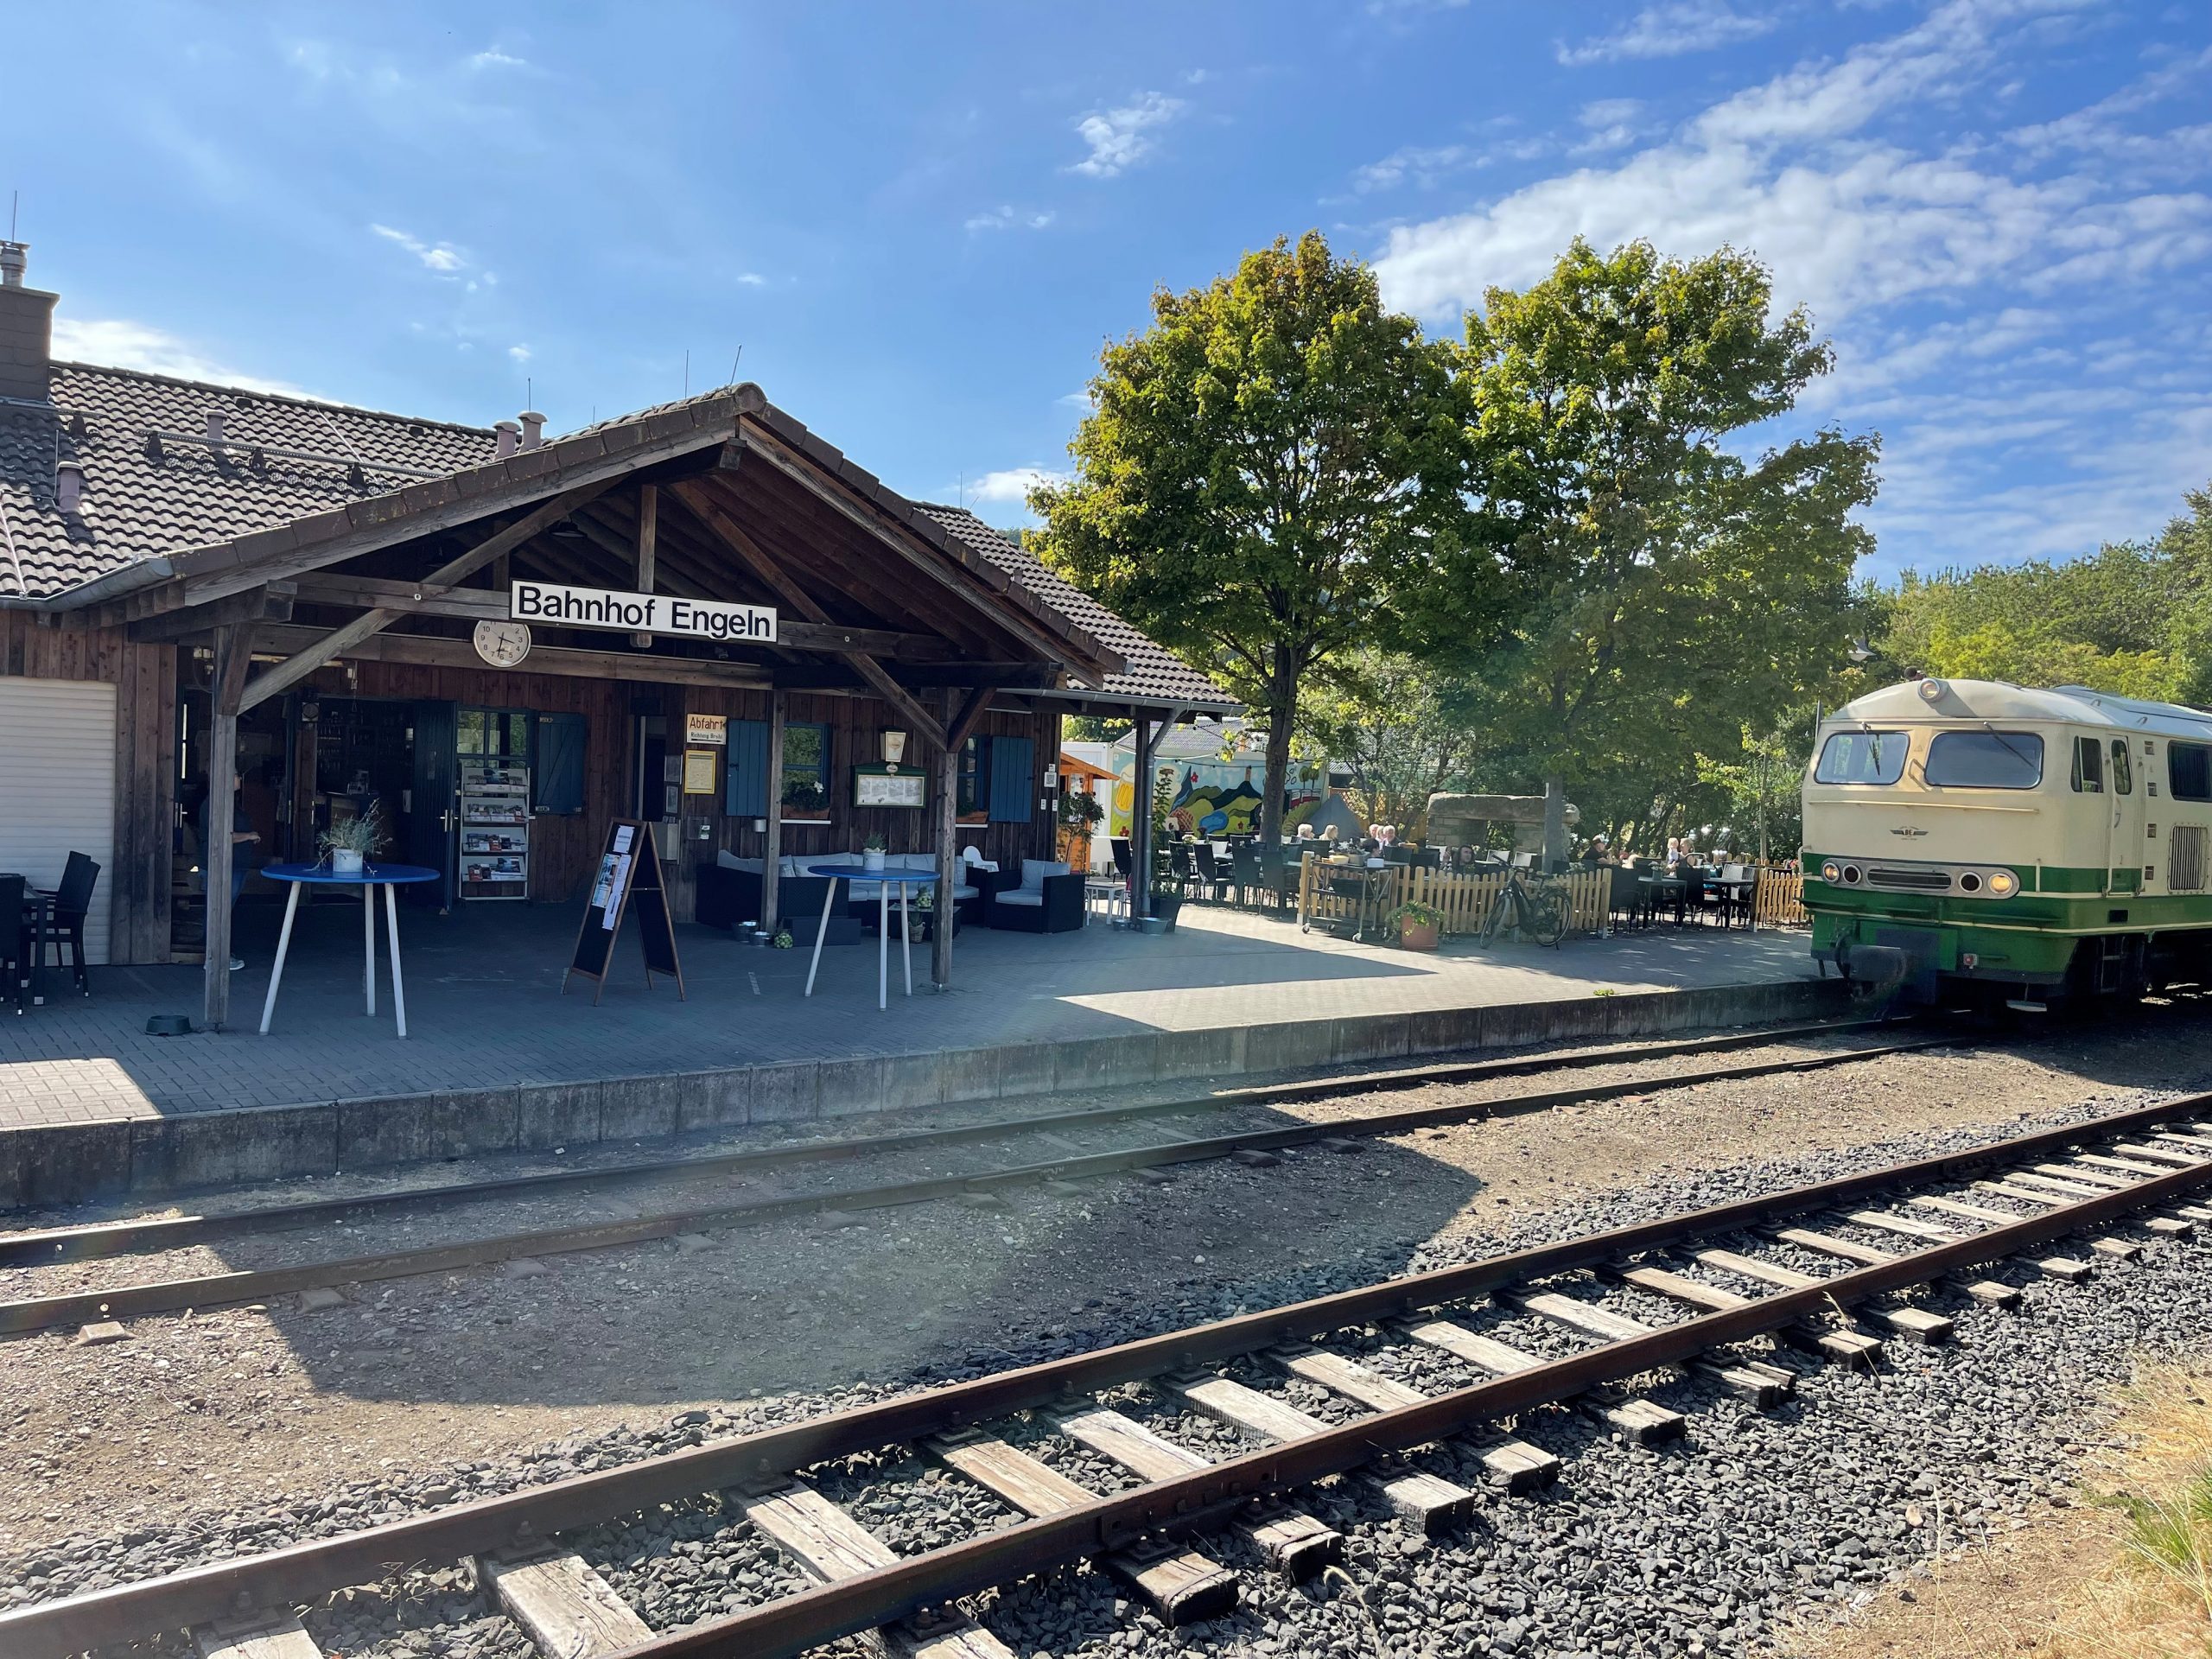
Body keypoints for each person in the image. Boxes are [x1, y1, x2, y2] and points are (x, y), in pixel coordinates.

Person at [197, 766, 261, 972]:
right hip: (223, 867)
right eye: (235, 775)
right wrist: (250, 836)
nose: (239, 778)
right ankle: (214, 957)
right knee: (218, 910)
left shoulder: (230, 803)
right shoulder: (215, 804)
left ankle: (222, 953)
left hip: (237, 865)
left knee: (225, 910)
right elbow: (223, 835)